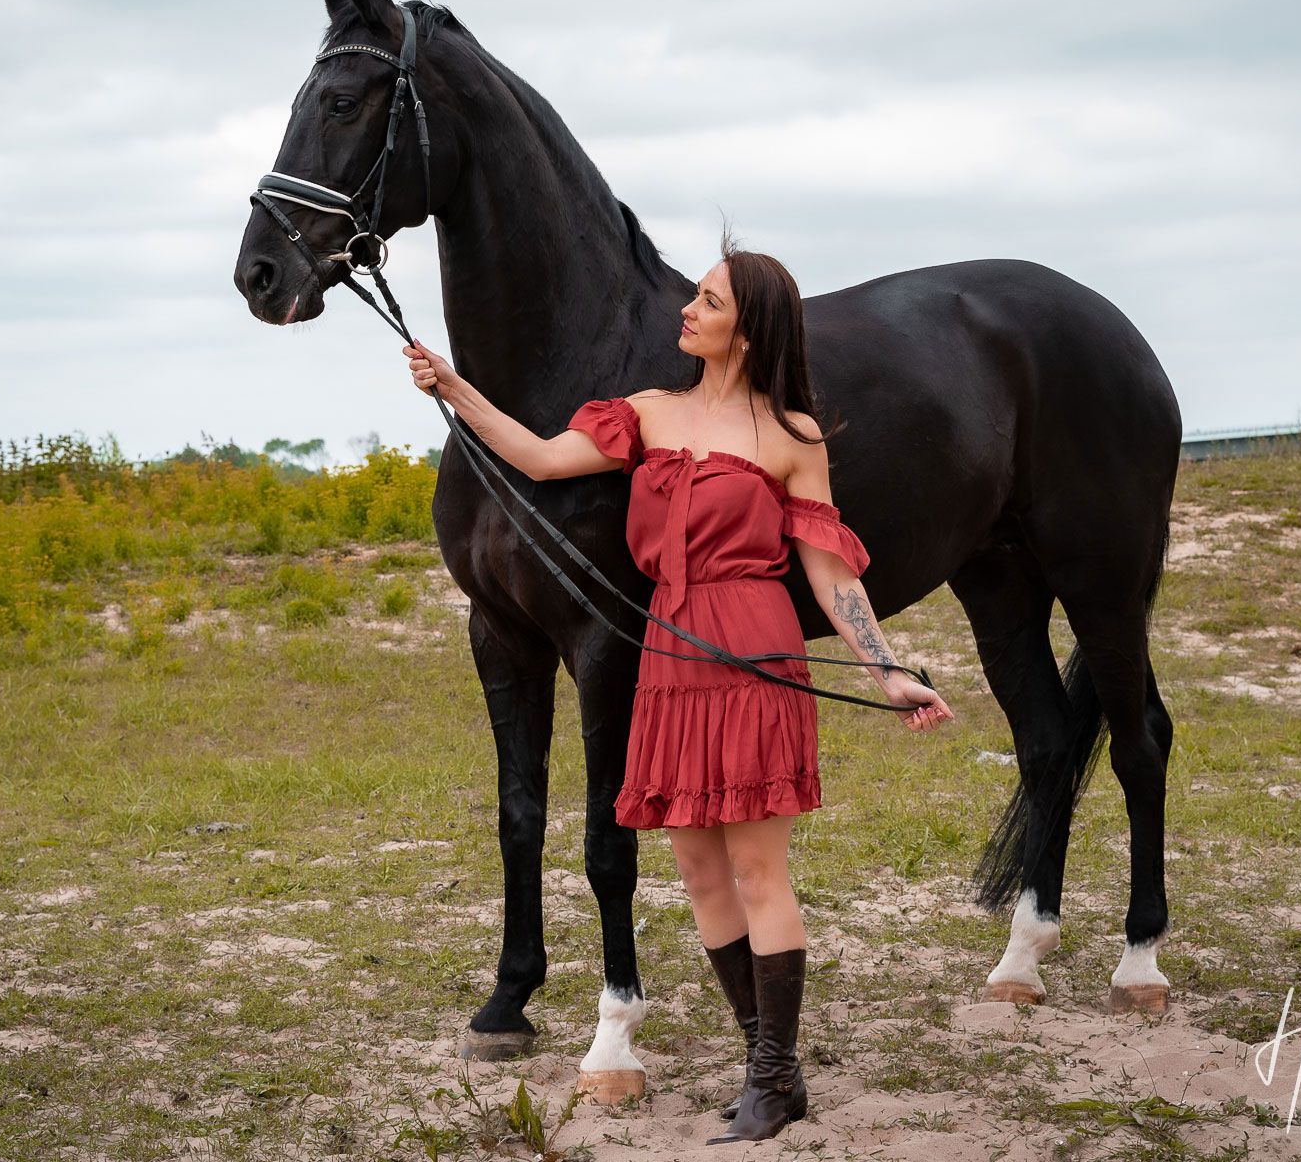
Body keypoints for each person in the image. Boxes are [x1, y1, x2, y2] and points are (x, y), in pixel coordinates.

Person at [403, 227, 954, 1145]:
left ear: (748, 331)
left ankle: (773, 1077)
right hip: (669, 657)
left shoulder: (791, 436)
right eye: (693, 296)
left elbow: (829, 571)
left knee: (756, 868)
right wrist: (454, 388)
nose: (685, 311)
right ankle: (765, 1064)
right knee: (699, 875)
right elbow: (539, 460)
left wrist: (886, 669)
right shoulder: (647, 411)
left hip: (753, 649)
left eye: (706, 302)